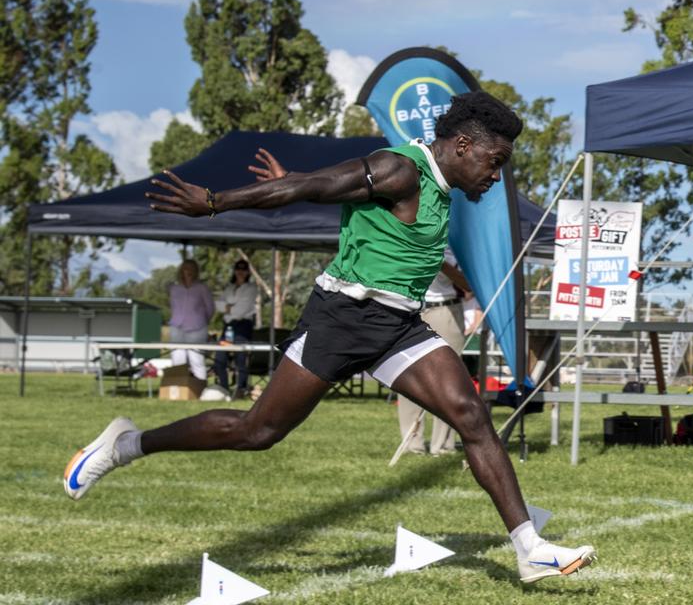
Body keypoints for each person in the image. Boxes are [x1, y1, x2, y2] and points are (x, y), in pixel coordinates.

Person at [63, 92, 596, 584]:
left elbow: (323, 183)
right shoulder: (401, 168)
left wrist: (298, 177)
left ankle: (530, 549)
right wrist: (217, 201)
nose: (495, 175)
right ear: (462, 145)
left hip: (397, 327)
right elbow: (312, 188)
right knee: (257, 432)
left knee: (471, 415)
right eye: (493, 161)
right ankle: (126, 444)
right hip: (342, 319)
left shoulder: (436, 184)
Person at [398, 246, 471, 456]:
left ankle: (444, 444)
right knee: (408, 376)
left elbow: (468, 285)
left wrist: (438, 261)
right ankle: (411, 443)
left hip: (446, 309)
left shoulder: (458, 243)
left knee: (449, 379)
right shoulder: (408, 235)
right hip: (411, 308)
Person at [212, 258, 259, 399]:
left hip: (243, 326)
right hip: (228, 327)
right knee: (219, 359)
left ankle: (241, 389)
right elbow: (217, 304)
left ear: (248, 272)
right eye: (238, 269)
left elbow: (241, 311)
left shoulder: (251, 288)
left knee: (241, 359)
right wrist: (229, 308)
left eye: (244, 269)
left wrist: (227, 307)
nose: (240, 272)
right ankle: (225, 388)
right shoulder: (229, 288)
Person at [168, 259, 214, 382]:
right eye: (185, 268)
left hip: (197, 328)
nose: (187, 271)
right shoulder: (174, 289)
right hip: (177, 327)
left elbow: (210, 308)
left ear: (195, 271)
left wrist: (203, 320)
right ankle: (178, 385)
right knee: (177, 357)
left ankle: (199, 387)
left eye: (190, 268)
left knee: (196, 358)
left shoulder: (202, 288)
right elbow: (173, 307)